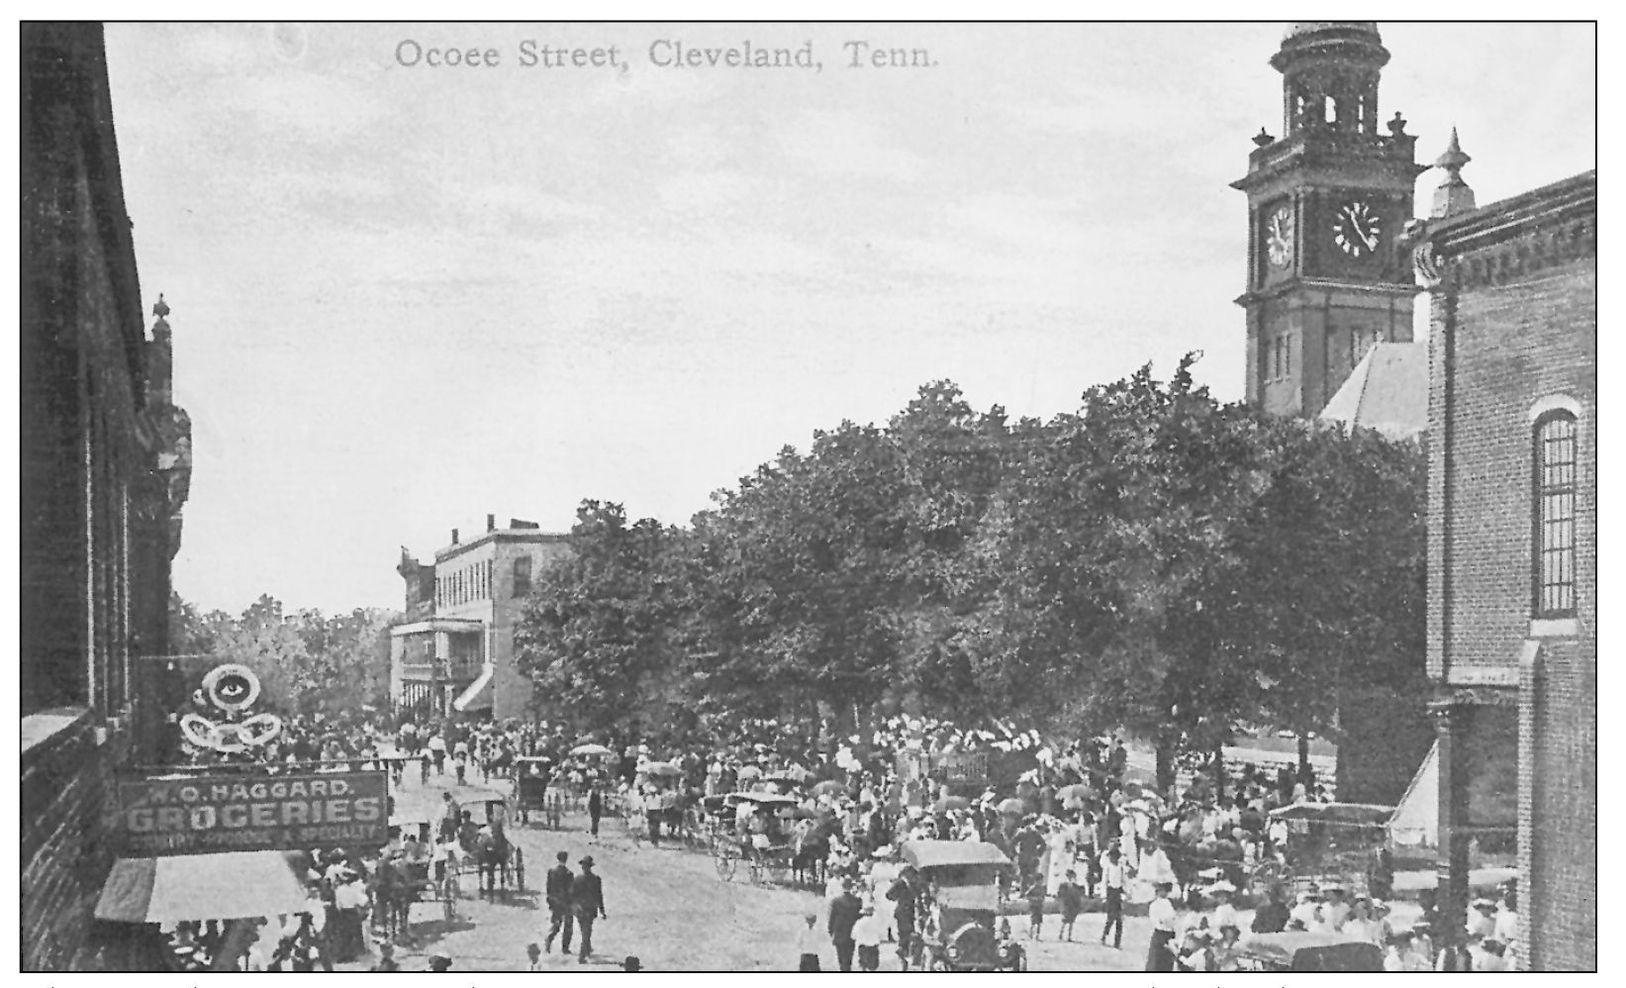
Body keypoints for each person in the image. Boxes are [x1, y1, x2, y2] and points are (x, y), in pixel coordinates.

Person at [573, 855, 607, 964]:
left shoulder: (577, 879)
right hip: (590, 909)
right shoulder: (596, 880)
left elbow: (572, 895)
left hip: (580, 910)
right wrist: (602, 910)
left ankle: (586, 951)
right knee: (586, 933)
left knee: (585, 931)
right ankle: (582, 956)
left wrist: (574, 906)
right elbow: (599, 896)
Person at [887, 866, 918, 970]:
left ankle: (906, 953)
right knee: (904, 933)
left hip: (911, 912)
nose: (912, 877)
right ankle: (902, 955)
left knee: (910, 934)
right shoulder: (899, 883)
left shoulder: (913, 884)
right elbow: (888, 894)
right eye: (910, 874)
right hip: (903, 912)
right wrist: (898, 897)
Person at [545, 851, 575, 954]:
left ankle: (548, 941)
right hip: (566, 903)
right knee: (568, 927)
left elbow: (548, 887)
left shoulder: (551, 871)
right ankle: (565, 948)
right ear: (566, 859)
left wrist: (549, 901)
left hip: (555, 902)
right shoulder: (569, 873)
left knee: (556, 925)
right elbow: (571, 891)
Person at [828, 880, 862, 971]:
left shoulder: (836, 901)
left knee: (841, 958)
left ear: (842, 887)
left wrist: (830, 931)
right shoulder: (857, 901)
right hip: (851, 933)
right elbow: (859, 917)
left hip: (839, 933)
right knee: (849, 957)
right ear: (851, 887)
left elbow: (832, 918)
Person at [1099, 844, 1128, 948]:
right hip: (1110, 892)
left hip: (1117, 893)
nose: (1112, 858)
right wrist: (1103, 896)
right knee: (1111, 918)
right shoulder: (1108, 868)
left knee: (1119, 920)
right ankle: (1104, 935)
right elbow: (1104, 882)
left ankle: (1117, 942)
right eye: (1111, 856)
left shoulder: (1121, 868)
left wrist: (1126, 893)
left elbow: (1124, 881)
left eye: (1114, 856)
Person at [1146, 881, 1178, 972]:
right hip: (1160, 934)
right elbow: (1156, 921)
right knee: (1156, 963)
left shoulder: (1168, 904)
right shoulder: (1155, 905)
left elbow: (1173, 919)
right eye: (1162, 890)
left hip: (1169, 934)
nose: (1164, 892)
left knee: (1167, 963)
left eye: (1166, 890)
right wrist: (1164, 922)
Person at [853, 904, 886, 972]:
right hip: (873, 946)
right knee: (873, 966)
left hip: (863, 946)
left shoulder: (859, 922)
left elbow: (853, 935)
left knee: (863, 963)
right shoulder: (876, 922)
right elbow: (882, 934)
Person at [1057, 869, 1087, 942]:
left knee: (1071, 921)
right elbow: (1060, 894)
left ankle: (1068, 936)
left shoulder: (1075, 885)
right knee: (1065, 920)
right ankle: (1061, 934)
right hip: (1066, 903)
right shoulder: (1064, 884)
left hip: (1073, 904)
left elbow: (1079, 894)